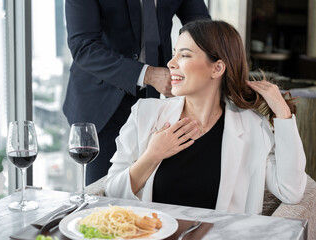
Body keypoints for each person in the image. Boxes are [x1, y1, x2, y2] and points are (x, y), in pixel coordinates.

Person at [104, 19, 307, 214]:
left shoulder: (253, 127)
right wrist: (152, 155)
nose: (171, 63)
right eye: (174, 54)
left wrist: (283, 113)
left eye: (184, 55)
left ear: (217, 68)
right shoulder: (145, 114)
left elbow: (291, 192)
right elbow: (111, 192)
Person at [63, 0, 210, 184]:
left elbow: (204, 29)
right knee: (105, 196)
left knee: (151, 190)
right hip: (102, 102)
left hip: (157, 99)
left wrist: (228, 74)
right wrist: (148, 74)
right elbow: (83, 47)